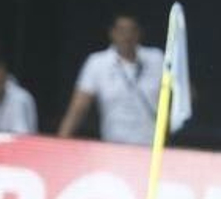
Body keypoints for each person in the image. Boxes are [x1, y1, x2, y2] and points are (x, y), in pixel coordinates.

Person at [57, 13, 165, 145]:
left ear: (139, 33)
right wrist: (60, 141)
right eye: (122, 30)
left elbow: (181, 94)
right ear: (112, 33)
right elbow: (79, 106)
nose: (127, 36)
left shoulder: (157, 59)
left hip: (151, 147)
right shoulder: (97, 62)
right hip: (113, 146)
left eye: (132, 30)